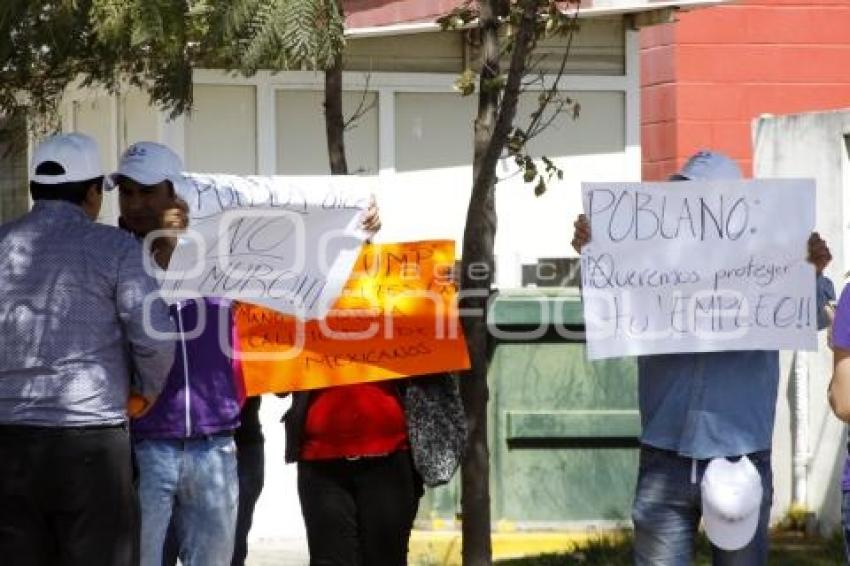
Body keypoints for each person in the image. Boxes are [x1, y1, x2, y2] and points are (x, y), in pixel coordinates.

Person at [571, 150, 834, 565]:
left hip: (741, 457)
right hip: (666, 452)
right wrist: (596, 254)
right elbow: (606, 308)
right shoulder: (653, 257)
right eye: (684, 199)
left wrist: (810, 274)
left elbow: (820, 315)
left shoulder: (769, 257)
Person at [0, 133, 175, 566]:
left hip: (8, 444)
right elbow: (154, 337)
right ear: (93, 193)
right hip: (91, 445)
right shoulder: (116, 249)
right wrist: (147, 392)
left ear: (34, 190)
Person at [112, 141, 245, 566]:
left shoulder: (222, 250)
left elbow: (297, 268)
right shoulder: (110, 255)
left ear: (177, 194)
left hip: (214, 443)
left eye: (147, 191)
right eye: (127, 192)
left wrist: (360, 224)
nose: (135, 203)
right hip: (142, 443)